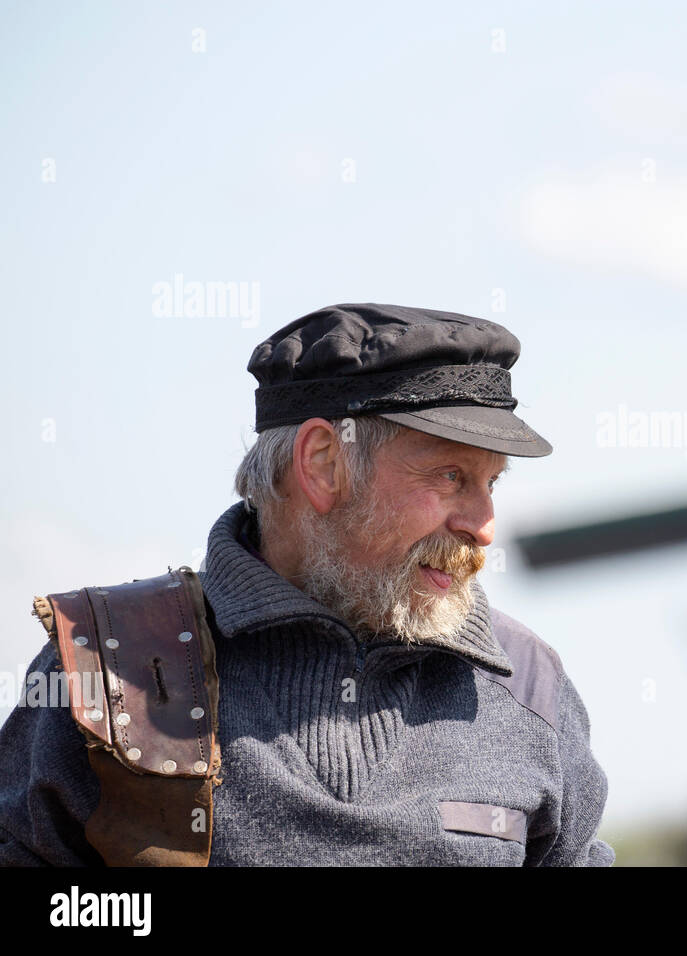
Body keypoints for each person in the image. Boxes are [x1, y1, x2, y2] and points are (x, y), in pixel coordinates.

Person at [0, 303, 615, 866]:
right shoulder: (107, 670)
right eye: (450, 476)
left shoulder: (533, 689)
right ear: (323, 462)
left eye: (491, 484)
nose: (483, 526)